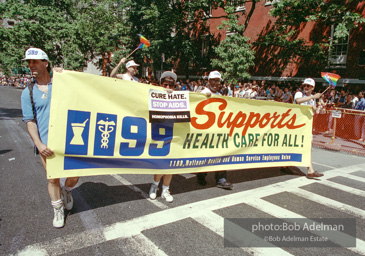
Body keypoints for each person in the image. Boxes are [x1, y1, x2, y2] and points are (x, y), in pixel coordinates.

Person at [20, 48, 79, 228]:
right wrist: (38, 144)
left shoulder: (60, 84)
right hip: (46, 144)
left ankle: (67, 191)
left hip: (69, 141)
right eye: (29, 62)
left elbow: (82, 90)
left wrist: (65, 75)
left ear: (46, 63)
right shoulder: (28, 92)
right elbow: (30, 121)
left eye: (35, 62)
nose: (31, 66)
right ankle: (58, 209)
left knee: (74, 176)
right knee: (52, 178)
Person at [196, 70, 233, 189]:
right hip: (205, 131)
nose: (215, 83)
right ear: (208, 81)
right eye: (213, 80)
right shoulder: (203, 93)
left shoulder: (221, 96)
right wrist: (202, 98)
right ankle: (201, 175)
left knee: (221, 154)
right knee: (204, 155)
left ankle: (221, 179)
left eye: (217, 81)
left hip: (218, 131)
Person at [148, 71, 178, 202]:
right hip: (158, 131)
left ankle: (166, 189)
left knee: (170, 164)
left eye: (171, 85)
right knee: (161, 161)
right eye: (165, 84)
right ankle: (154, 186)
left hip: (174, 132)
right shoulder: (152, 93)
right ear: (160, 84)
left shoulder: (179, 96)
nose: (168, 87)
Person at [294, 78, 324, 179]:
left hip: (306, 126)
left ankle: (310, 171)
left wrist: (317, 108)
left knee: (307, 147)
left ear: (312, 87)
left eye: (308, 86)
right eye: (304, 85)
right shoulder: (299, 94)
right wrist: (313, 98)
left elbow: (314, 111)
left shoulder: (312, 98)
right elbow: (298, 101)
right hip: (296, 124)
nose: (305, 88)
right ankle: (285, 165)